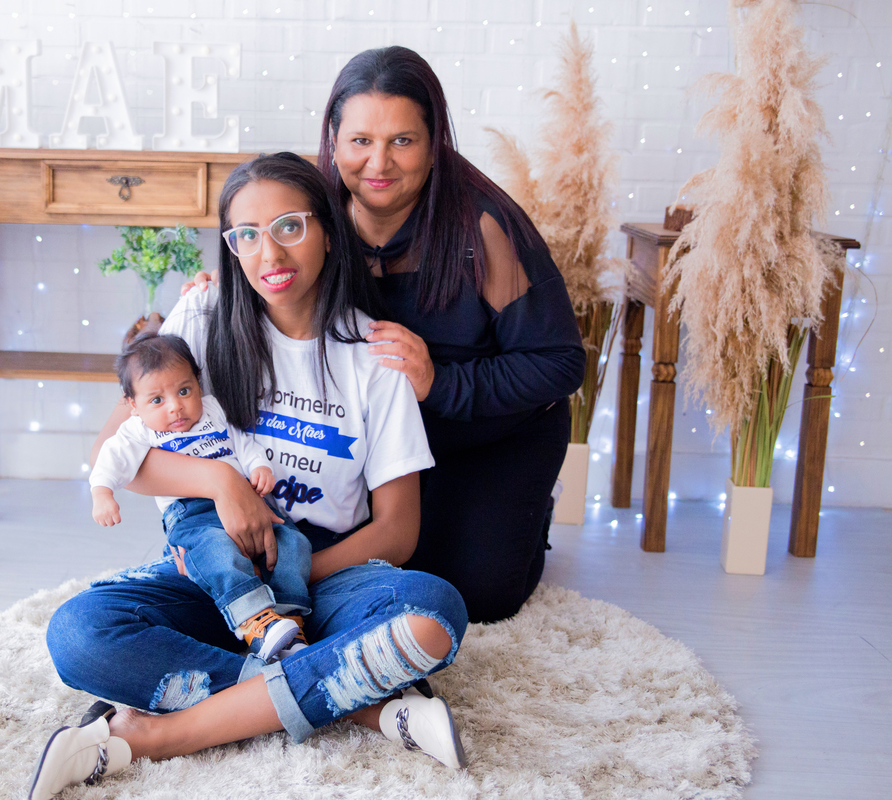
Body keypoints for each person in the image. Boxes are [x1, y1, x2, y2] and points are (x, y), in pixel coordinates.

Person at [30, 152, 469, 800]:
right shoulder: (203, 321)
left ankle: (154, 736)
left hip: (328, 576)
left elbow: (399, 532)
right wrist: (223, 486)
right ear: (229, 246)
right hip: (218, 573)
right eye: (247, 235)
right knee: (78, 634)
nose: (271, 253)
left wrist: (286, 574)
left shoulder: (372, 354)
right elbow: (113, 454)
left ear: (326, 228)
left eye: (290, 226)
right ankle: (363, 704)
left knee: (436, 612)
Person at [320, 46, 585, 624]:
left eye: (403, 141)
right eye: (361, 140)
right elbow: (262, 275)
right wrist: (223, 286)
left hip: (489, 437)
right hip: (377, 447)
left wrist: (437, 382)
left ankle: (529, 517)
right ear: (334, 139)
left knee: (476, 597)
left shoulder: (483, 223)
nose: (379, 163)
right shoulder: (313, 213)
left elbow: (560, 363)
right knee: (354, 567)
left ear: (434, 140)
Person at [89, 332, 310, 662]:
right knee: (215, 551)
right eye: (157, 400)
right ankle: (253, 621)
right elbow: (109, 459)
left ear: (197, 382)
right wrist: (102, 493)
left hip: (250, 502)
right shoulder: (139, 431)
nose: (176, 406)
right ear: (133, 405)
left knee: (293, 543)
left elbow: (242, 442)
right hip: (191, 512)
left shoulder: (212, 410)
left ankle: (290, 616)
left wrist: (259, 465)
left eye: (183, 390)